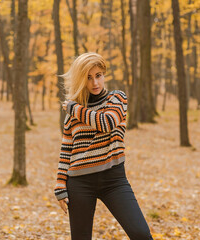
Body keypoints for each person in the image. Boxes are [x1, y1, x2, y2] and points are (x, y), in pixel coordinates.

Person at [54, 52, 153, 240]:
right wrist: (60, 185)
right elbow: (66, 149)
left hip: (114, 180)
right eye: (88, 78)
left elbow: (106, 122)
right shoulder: (72, 112)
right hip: (79, 183)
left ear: (104, 75)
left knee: (141, 234)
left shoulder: (117, 99)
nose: (94, 83)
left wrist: (74, 108)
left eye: (98, 75)